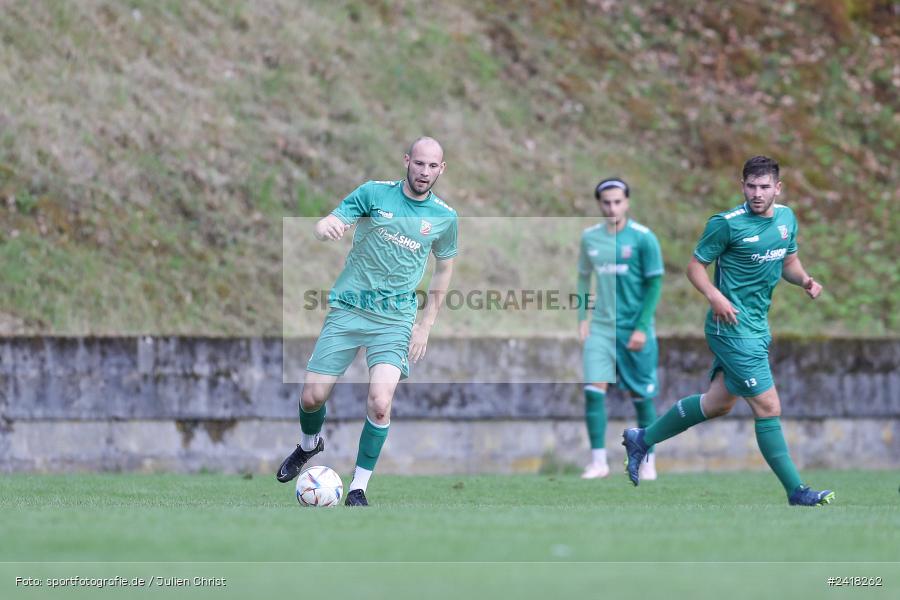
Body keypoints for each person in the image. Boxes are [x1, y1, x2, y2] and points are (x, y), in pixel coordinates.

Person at [623, 156, 834, 506]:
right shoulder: (726, 224)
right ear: (742, 186)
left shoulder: (786, 218)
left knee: (717, 404)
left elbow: (788, 261)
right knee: (768, 406)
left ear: (777, 188)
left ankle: (642, 438)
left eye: (764, 186)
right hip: (731, 329)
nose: (757, 193)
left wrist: (805, 281)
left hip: (757, 326)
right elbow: (695, 267)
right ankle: (797, 491)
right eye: (751, 186)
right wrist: (715, 295)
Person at [276, 137, 458, 506]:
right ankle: (309, 445)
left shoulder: (444, 217)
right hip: (349, 309)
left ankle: (358, 487)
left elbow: (444, 269)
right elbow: (333, 219)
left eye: (432, 166)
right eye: (419, 163)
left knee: (379, 402)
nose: (424, 172)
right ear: (406, 160)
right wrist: (324, 226)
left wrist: (425, 325)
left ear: (442, 169)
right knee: (312, 397)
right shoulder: (374, 194)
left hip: (394, 321)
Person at [577, 177, 664, 480]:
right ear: (599, 204)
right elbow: (582, 278)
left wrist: (642, 327)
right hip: (601, 329)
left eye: (617, 201)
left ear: (627, 202)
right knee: (593, 390)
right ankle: (598, 462)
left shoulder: (643, 238)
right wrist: (581, 318)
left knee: (641, 396)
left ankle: (648, 460)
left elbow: (654, 285)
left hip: (634, 329)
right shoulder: (590, 238)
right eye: (606, 202)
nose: (612, 207)